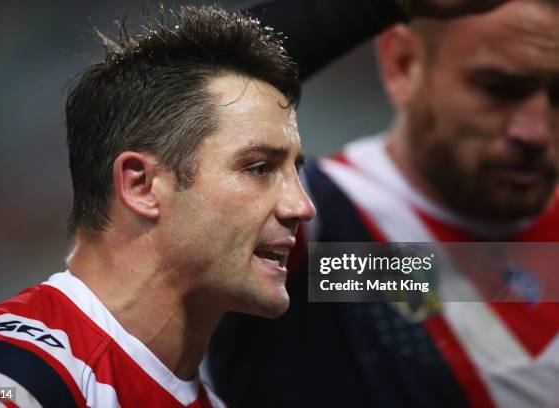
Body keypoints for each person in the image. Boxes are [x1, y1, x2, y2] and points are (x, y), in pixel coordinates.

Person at [0, 5, 315, 407]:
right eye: (260, 168)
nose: (302, 206)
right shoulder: (7, 379)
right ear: (141, 185)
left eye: (296, 171)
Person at [209, 0, 559, 407]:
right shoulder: (308, 219)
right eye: (497, 88)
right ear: (403, 63)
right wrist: (377, 5)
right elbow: (166, 100)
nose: (534, 131)